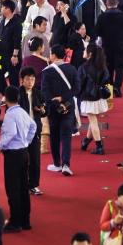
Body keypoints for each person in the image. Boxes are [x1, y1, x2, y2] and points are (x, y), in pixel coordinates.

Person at [0, 86, 38, 232]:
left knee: (13, 188)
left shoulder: (10, 114)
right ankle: (25, 220)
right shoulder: (22, 112)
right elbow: (33, 126)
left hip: (13, 154)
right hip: (23, 152)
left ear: (6, 98)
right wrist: (26, 141)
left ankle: (15, 221)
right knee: (23, 186)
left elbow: (10, 133)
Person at [42, 45, 79, 176]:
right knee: (66, 136)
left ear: (53, 55)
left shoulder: (47, 71)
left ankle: (57, 163)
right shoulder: (72, 69)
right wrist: (63, 98)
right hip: (68, 105)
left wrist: (55, 101)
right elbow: (76, 88)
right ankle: (66, 165)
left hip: (53, 108)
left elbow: (45, 91)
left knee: (54, 136)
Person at [19, 67, 48, 195]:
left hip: (35, 130)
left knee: (35, 160)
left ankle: (33, 185)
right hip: (21, 132)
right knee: (22, 160)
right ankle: (22, 184)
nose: (30, 82)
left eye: (32, 79)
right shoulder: (17, 93)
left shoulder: (38, 93)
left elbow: (45, 111)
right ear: (22, 80)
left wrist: (42, 110)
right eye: (27, 79)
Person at [97, 0, 123, 97]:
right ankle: (117, 87)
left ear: (106, 4)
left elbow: (97, 31)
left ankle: (109, 88)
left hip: (106, 46)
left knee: (108, 67)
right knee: (120, 67)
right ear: (117, 4)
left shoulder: (102, 17)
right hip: (120, 46)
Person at [78, 43, 111, 155]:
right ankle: (86, 141)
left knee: (92, 120)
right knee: (93, 119)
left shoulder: (83, 67)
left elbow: (80, 84)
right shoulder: (102, 65)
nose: (83, 52)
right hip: (100, 96)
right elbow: (107, 79)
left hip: (89, 97)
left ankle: (99, 146)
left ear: (90, 54)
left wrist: (78, 94)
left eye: (85, 50)